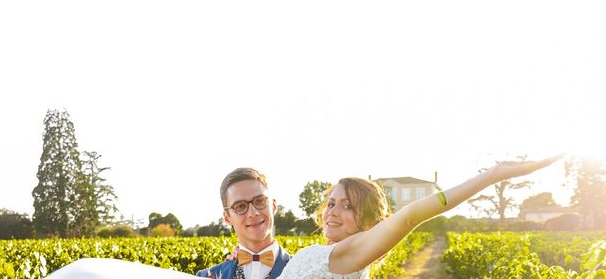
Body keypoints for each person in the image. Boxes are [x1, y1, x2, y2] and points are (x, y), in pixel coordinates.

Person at [45, 155, 561, 279]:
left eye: (344, 204)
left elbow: (412, 217)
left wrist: (492, 175)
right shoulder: (222, 271)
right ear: (227, 217)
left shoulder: (341, 257)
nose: (332, 210)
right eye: (330, 201)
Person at [195, 167, 291, 279]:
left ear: (273, 206)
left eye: (260, 201)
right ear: (227, 218)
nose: (253, 213)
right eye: (240, 206)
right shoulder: (206, 277)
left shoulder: (307, 270)